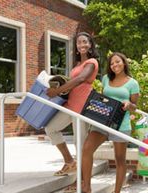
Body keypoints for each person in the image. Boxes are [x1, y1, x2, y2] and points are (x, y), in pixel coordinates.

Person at [81, 52, 140, 193]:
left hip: (121, 125)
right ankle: (87, 188)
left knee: (120, 159)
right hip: (102, 121)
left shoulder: (132, 83)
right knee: (87, 149)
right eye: (112, 63)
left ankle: (117, 191)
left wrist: (128, 104)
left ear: (124, 63)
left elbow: (135, 106)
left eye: (117, 62)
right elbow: (103, 98)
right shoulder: (106, 79)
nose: (114, 65)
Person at [45, 32, 99, 178]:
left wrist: (56, 91)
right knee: (51, 128)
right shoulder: (77, 64)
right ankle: (69, 161)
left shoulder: (92, 62)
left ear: (90, 45)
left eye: (85, 42)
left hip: (82, 107)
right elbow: (72, 82)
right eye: (79, 43)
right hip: (70, 105)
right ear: (76, 47)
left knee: (80, 144)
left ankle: (81, 183)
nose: (82, 45)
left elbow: (81, 79)